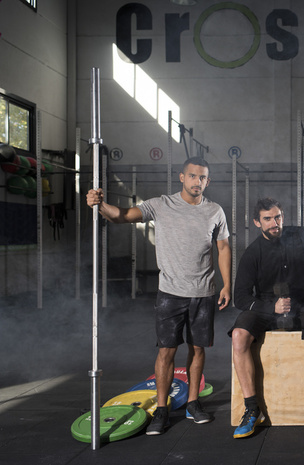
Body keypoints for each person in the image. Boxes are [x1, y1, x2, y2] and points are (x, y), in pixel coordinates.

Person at [86, 157, 231, 436]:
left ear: (207, 181)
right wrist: (99, 204)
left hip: (203, 292)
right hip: (170, 293)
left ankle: (192, 403)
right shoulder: (160, 205)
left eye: (202, 178)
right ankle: (162, 410)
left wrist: (227, 285)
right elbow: (121, 216)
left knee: (198, 349)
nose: (197, 182)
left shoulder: (215, 211)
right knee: (166, 351)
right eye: (192, 176)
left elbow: (223, 248)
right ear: (181, 177)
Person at [229, 198, 304, 439]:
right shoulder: (253, 252)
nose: (274, 223)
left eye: (277, 217)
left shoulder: (302, 236)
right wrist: (271, 307)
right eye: (267, 219)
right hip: (267, 308)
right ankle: (252, 409)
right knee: (238, 335)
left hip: (302, 304)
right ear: (257, 222)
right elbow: (240, 297)